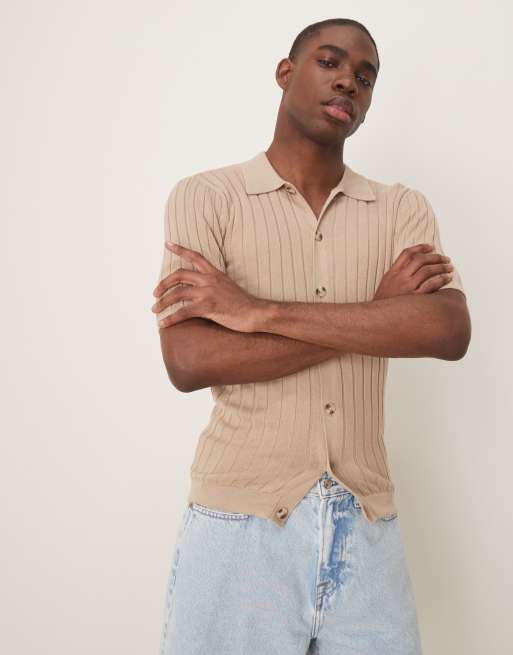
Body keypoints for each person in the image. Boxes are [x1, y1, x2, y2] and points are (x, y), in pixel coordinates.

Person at [151, 17, 471, 655]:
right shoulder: (207, 198)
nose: (349, 80)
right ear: (285, 73)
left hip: (368, 527)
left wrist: (258, 312)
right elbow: (189, 360)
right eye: (330, 62)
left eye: (366, 77)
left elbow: (447, 328)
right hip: (238, 528)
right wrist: (378, 316)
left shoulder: (401, 209)